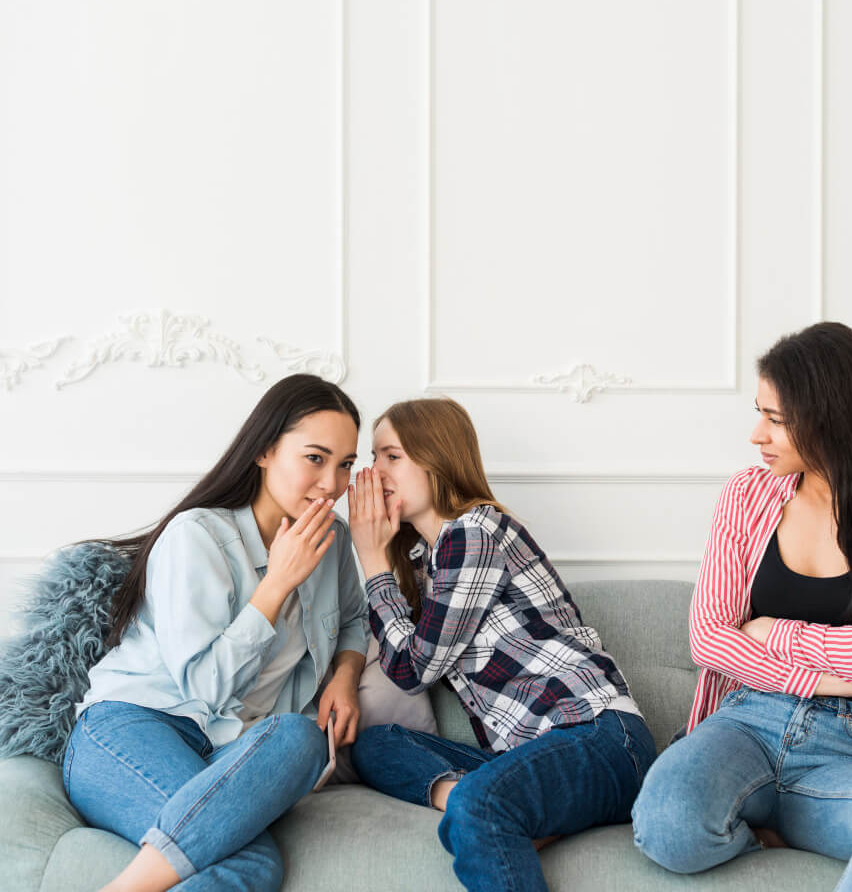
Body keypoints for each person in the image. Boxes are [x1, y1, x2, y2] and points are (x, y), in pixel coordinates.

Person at [631, 321, 852, 890]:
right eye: (760, 412)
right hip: (744, 722)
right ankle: (755, 832)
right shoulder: (747, 494)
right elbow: (709, 638)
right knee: (666, 821)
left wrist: (771, 630)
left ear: (832, 418)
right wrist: (829, 680)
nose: (756, 434)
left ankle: (785, 822)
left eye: (775, 419)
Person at [63, 375, 369, 892]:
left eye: (345, 465)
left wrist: (344, 675)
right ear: (266, 451)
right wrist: (275, 586)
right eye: (315, 459)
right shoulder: (198, 536)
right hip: (133, 727)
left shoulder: (331, 538)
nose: (332, 485)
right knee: (248, 865)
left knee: (301, 737)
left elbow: (356, 619)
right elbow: (205, 691)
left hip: (229, 747)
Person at [346, 397, 656, 892]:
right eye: (373, 456)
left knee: (477, 807)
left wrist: (371, 558)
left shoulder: (475, 530)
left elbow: (413, 669)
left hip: (596, 736)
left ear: (437, 457)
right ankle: (498, 805)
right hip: (530, 754)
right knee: (376, 743)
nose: (374, 471)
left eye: (391, 455)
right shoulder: (429, 568)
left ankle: (486, 806)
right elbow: (404, 665)